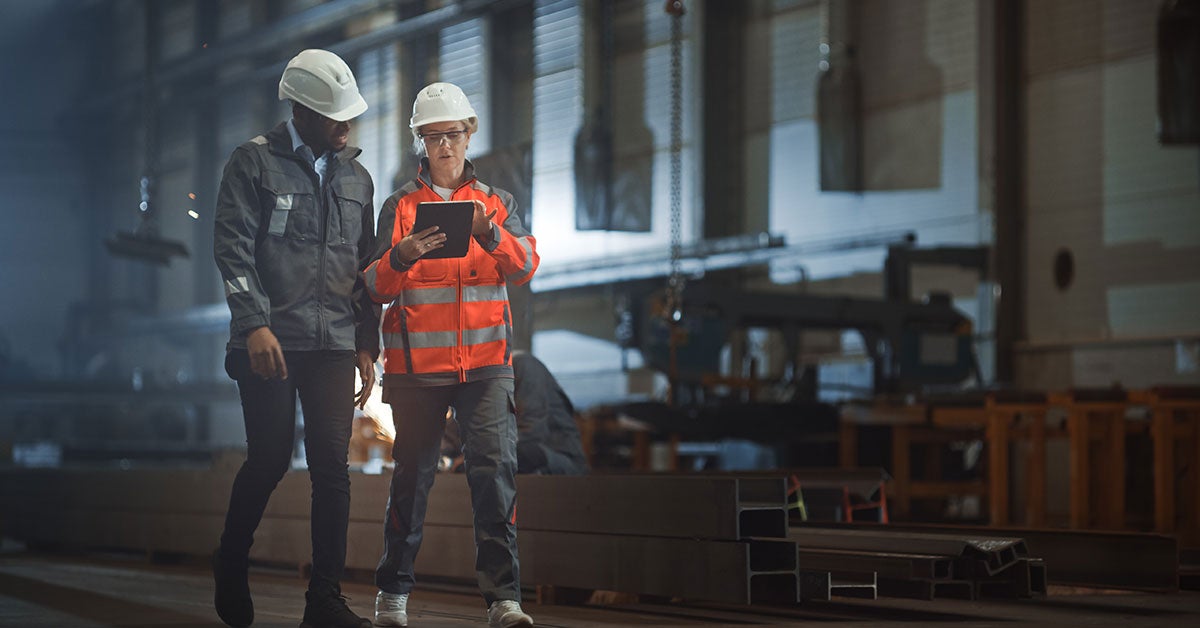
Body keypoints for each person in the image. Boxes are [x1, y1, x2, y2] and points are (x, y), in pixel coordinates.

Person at [212, 49, 379, 628]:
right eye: (337, 117)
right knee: (270, 458)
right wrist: (254, 324)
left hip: (333, 342)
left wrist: (366, 342)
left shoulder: (357, 177)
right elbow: (232, 250)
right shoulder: (252, 164)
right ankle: (231, 560)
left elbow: (367, 268)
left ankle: (325, 600)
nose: (347, 126)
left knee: (333, 467)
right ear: (302, 112)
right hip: (270, 343)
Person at [365, 82, 539, 628]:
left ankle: (504, 601)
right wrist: (402, 254)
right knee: (411, 481)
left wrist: (490, 234)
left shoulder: (497, 204)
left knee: (494, 475)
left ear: (470, 136)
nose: (445, 146)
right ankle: (392, 597)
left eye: (454, 135)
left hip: (486, 368)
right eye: (434, 137)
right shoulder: (400, 208)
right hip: (418, 372)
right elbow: (372, 285)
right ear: (421, 141)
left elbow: (527, 264)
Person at [440, 351, 589, 476]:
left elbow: (531, 437)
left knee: (525, 454)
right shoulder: (466, 390)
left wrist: (475, 458)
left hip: (558, 461)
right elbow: (449, 442)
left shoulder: (523, 367)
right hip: (502, 462)